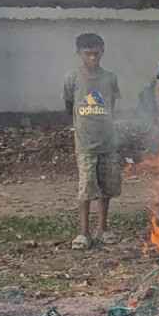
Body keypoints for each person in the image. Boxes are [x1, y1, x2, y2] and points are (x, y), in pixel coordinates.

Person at [64, 32, 121, 250]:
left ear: (103, 51)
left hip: (108, 142)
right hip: (85, 143)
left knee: (107, 188)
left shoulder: (110, 78)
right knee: (86, 188)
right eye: (88, 54)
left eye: (96, 54)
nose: (92, 59)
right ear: (79, 53)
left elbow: (112, 106)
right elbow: (69, 106)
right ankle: (83, 233)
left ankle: (103, 229)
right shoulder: (72, 78)